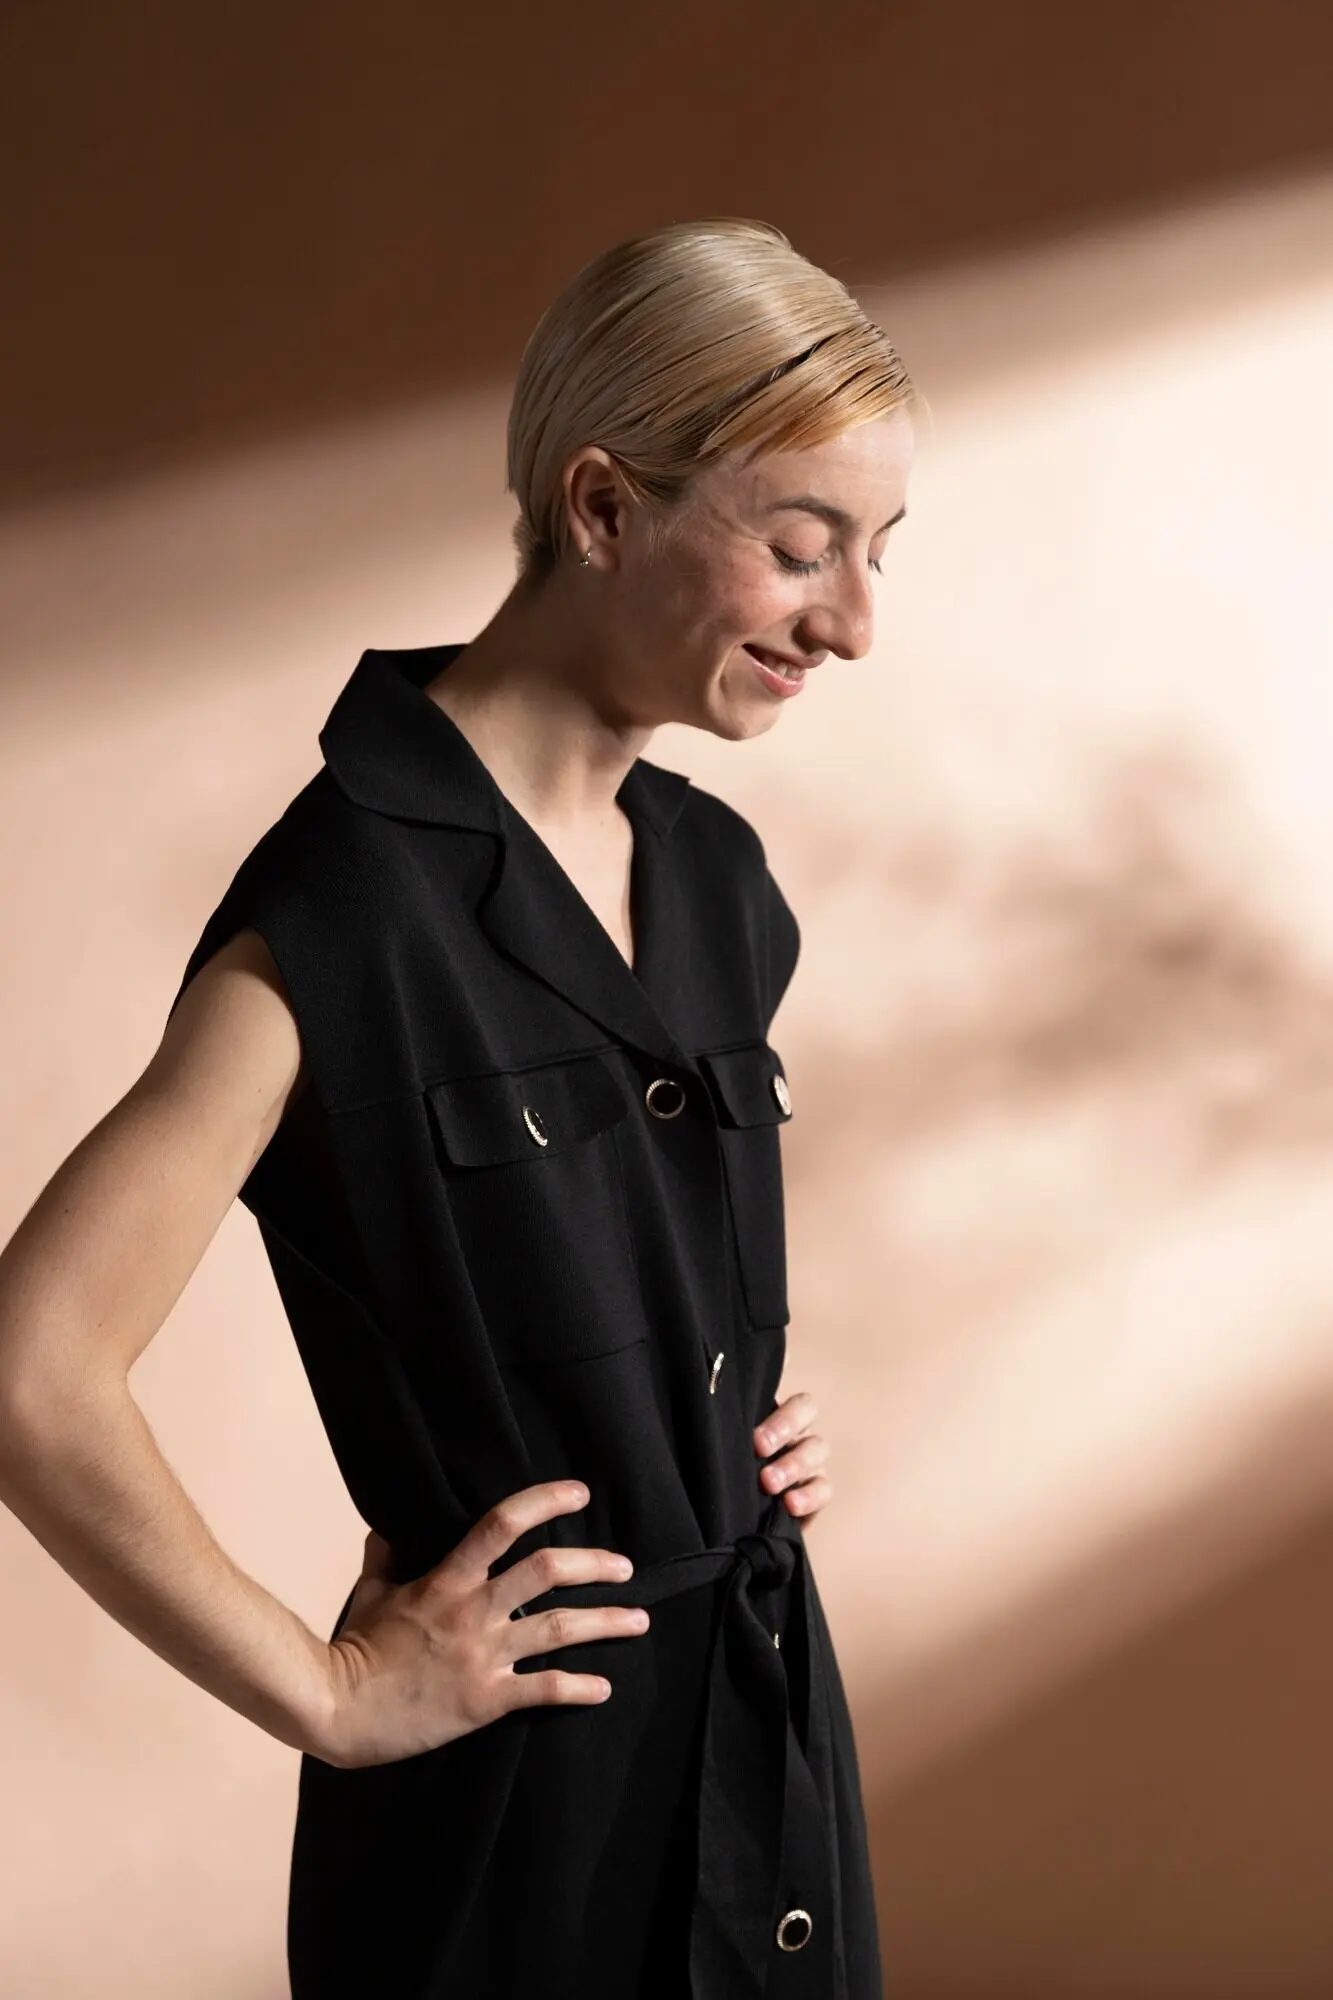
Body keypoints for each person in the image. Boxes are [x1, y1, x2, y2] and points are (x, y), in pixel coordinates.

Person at [0, 215, 916, 1997]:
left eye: (881, 553)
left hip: (768, 1757)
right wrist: (331, 1691)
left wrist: (734, 1415)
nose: (856, 622)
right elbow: (35, 1368)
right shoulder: (344, 910)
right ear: (603, 508)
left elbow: (637, 1270)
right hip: (513, 1836)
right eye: (803, 548)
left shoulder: (721, 883)